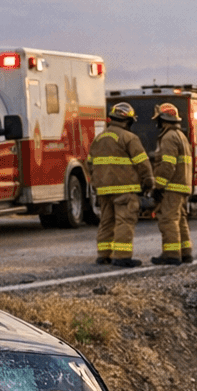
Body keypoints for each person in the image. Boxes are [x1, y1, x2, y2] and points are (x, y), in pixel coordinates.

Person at [88, 102, 154, 267]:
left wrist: (97, 182)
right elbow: (142, 163)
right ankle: (122, 256)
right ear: (129, 121)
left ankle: (103, 255)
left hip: (103, 190)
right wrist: (148, 182)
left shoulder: (98, 139)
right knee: (124, 221)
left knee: (106, 221)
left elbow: (89, 164)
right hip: (125, 189)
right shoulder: (129, 138)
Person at [149, 102, 194, 265]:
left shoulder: (168, 137)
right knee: (180, 220)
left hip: (172, 187)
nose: (157, 123)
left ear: (163, 119)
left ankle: (171, 254)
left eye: (158, 120)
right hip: (182, 186)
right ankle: (185, 252)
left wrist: (158, 186)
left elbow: (167, 165)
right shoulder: (181, 136)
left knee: (168, 220)